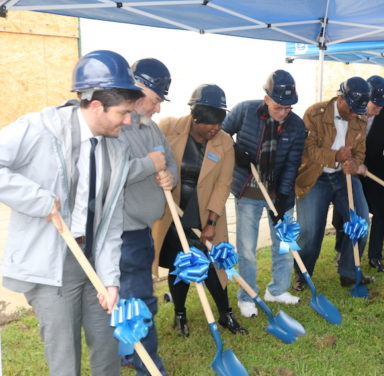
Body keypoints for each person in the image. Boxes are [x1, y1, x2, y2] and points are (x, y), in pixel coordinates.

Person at [0, 50, 144, 375]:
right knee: (65, 361)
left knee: (107, 350)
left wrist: (110, 280)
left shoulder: (116, 150)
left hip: (93, 260)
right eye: (122, 113)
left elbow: (111, 222)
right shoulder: (40, 130)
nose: (127, 120)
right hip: (53, 266)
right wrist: (38, 200)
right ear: (95, 106)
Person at [153, 84, 247, 336]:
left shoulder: (224, 142)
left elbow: (223, 183)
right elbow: (152, 162)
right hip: (171, 213)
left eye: (219, 122)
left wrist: (212, 222)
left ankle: (225, 314)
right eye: (210, 123)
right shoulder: (167, 128)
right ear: (196, 116)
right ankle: (180, 314)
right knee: (178, 265)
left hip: (204, 213)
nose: (215, 128)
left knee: (214, 266)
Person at [222, 70, 306, 317]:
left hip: (279, 191)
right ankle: (247, 295)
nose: (283, 113)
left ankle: (277, 289)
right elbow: (221, 134)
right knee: (247, 248)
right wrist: (236, 152)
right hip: (248, 189)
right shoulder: (245, 111)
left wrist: (282, 199)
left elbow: (292, 164)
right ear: (267, 98)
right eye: (279, 107)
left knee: (283, 243)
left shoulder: (296, 125)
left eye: (288, 108)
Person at [116, 58, 176, 375]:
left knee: (129, 296)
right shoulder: (117, 128)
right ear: (139, 91)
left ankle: (126, 352)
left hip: (142, 230)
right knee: (139, 299)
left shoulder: (150, 127)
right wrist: (153, 165)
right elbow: (115, 174)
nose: (158, 109)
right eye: (156, 101)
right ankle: (149, 366)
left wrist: (171, 177)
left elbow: (170, 162)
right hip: (122, 232)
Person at [294, 77, 373, 288]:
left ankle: (349, 271)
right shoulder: (314, 114)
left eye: (360, 109)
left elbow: (360, 153)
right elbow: (307, 149)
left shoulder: (360, 119)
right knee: (310, 231)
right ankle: (303, 276)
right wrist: (335, 157)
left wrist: (354, 164)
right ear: (341, 98)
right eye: (353, 108)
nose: (356, 113)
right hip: (314, 176)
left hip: (343, 176)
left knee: (361, 222)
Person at [331, 75, 384, 274]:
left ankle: (375, 256)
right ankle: (341, 250)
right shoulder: (350, 113)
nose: (378, 109)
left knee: (380, 213)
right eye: (375, 104)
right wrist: (349, 162)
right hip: (348, 169)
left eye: (382, 105)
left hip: (375, 171)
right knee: (346, 213)